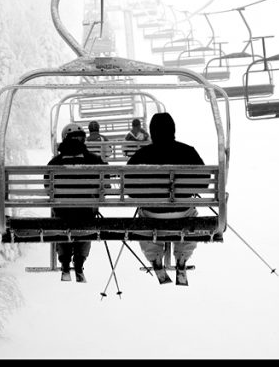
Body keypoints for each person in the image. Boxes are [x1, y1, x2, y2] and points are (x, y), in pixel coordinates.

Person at [126, 112, 205, 286]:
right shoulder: (187, 151)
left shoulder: (141, 155)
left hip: (152, 212)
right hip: (182, 211)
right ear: (173, 129)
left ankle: (154, 257)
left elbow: (128, 188)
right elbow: (204, 183)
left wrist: (146, 194)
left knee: (145, 219)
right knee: (191, 216)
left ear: (152, 132)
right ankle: (183, 257)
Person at [47, 122, 107, 283]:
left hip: (62, 212)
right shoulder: (94, 160)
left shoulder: (54, 163)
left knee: (61, 222)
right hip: (86, 212)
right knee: (85, 224)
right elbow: (105, 182)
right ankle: (79, 262)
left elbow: (48, 187)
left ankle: (65, 263)